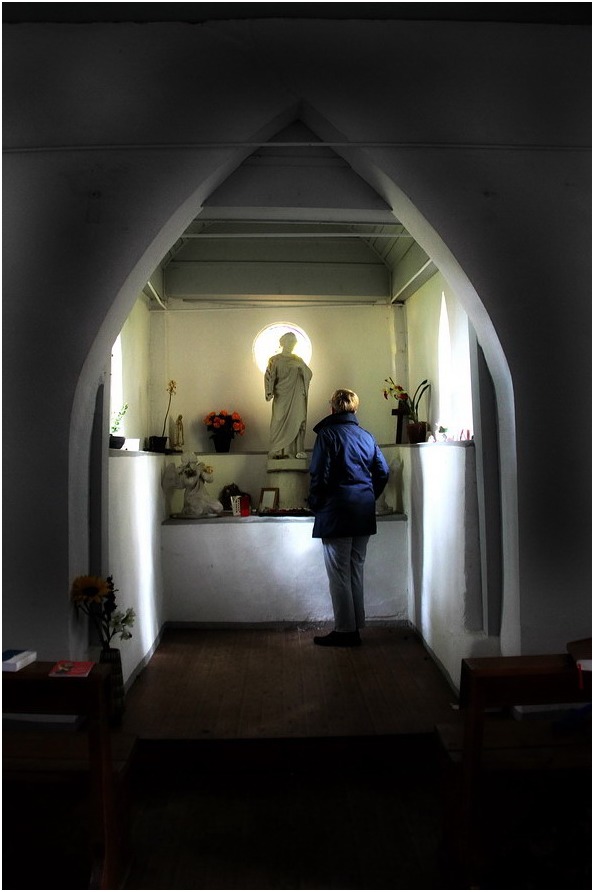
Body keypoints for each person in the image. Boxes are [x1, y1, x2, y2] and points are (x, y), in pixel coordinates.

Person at [308, 389, 390, 647]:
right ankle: (355, 626)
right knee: (355, 570)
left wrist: (315, 503)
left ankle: (345, 631)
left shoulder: (327, 435)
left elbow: (319, 474)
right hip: (362, 513)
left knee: (339, 573)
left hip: (336, 512)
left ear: (332, 408)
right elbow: (383, 471)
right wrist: (368, 496)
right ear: (355, 409)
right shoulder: (366, 436)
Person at [264, 331, 313, 459]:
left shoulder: (298, 360)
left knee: (297, 420)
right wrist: (269, 391)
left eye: (293, 342)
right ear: (283, 342)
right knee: (278, 420)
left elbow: (309, 374)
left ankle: (295, 451)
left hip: (296, 396)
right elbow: (269, 375)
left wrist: (301, 367)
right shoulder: (275, 359)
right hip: (281, 396)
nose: (291, 344)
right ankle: (278, 451)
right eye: (289, 341)